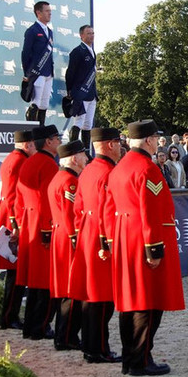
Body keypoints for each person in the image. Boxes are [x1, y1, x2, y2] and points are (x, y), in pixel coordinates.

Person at [102, 120, 184, 377]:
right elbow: (149, 210)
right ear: (149, 140)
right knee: (148, 303)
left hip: (125, 237)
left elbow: (110, 208)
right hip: (143, 240)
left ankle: (131, 358)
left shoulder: (119, 168)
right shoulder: (146, 169)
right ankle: (140, 359)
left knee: (130, 301)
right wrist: (154, 249)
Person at [69, 128, 122, 364]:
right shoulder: (108, 172)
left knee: (92, 297)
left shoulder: (88, 170)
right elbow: (107, 212)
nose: (121, 147)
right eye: (118, 143)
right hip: (102, 241)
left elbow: (78, 209)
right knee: (102, 300)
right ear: (109, 145)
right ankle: (98, 348)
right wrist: (108, 242)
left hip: (87, 237)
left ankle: (92, 346)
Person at [16, 124, 61, 339]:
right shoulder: (48, 164)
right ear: (49, 141)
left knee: (35, 282)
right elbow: (46, 201)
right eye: (56, 138)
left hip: (29, 223)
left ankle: (32, 325)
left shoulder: (30, 162)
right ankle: (39, 327)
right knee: (45, 282)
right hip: (43, 226)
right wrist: (47, 231)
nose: (59, 141)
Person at [48, 140, 87, 351]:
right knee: (72, 290)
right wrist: (76, 237)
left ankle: (65, 335)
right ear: (74, 158)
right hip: (70, 238)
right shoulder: (70, 181)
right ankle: (67, 336)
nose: (86, 159)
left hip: (60, 236)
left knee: (66, 289)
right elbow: (70, 214)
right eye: (82, 155)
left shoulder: (60, 177)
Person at [0, 129, 35, 330]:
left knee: (15, 273)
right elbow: (12, 196)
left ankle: (9, 315)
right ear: (27, 145)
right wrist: (16, 225)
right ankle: (9, 316)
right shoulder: (19, 161)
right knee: (15, 272)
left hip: (10, 214)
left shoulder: (12, 158)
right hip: (13, 218)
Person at [65, 25, 98, 150]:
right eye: (88, 33)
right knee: (79, 121)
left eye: (93, 33)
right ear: (81, 35)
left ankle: (86, 151)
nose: (91, 35)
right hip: (81, 92)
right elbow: (70, 72)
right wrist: (70, 90)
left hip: (91, 93)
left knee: (88, 124)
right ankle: (73, 149)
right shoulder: (77, 51)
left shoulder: (92, 50)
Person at [22, 1, 54, 124]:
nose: (49, 13)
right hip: (37, 72)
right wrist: (28, 73)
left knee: (44, 104)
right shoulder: (32, 30)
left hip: (48, 73)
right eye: (47, 11)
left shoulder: (49, 31)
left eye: (50, 11)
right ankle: (31, 132)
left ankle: (41, 134)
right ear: (38, 13)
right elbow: (26, 53)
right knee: (36, 102)